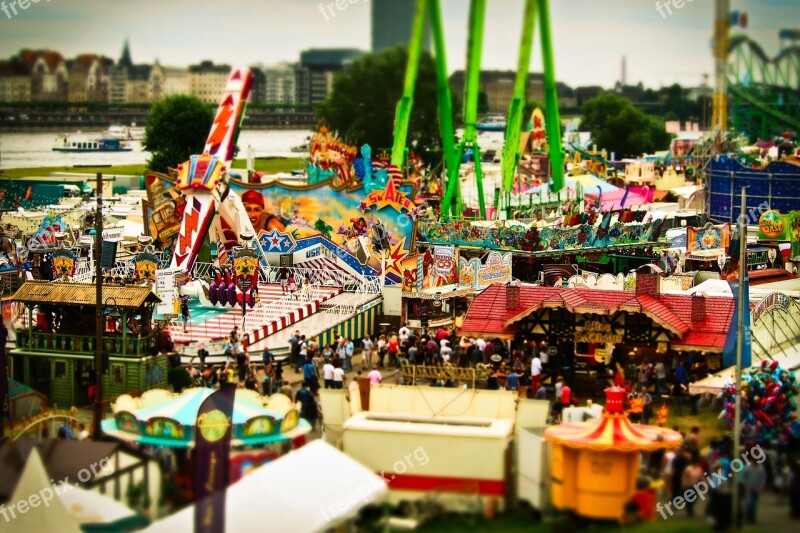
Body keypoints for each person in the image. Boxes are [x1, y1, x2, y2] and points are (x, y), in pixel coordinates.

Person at [742, 458, 767, 524]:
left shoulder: (761, 468)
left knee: (754, 504)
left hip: (756, 488)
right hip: (749, 488)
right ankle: (748, 518)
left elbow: (763, 477)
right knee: (750, 503)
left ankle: (752, 518)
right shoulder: (747, 467)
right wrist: (746, 485)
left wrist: (762, 485)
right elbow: (743, 476)